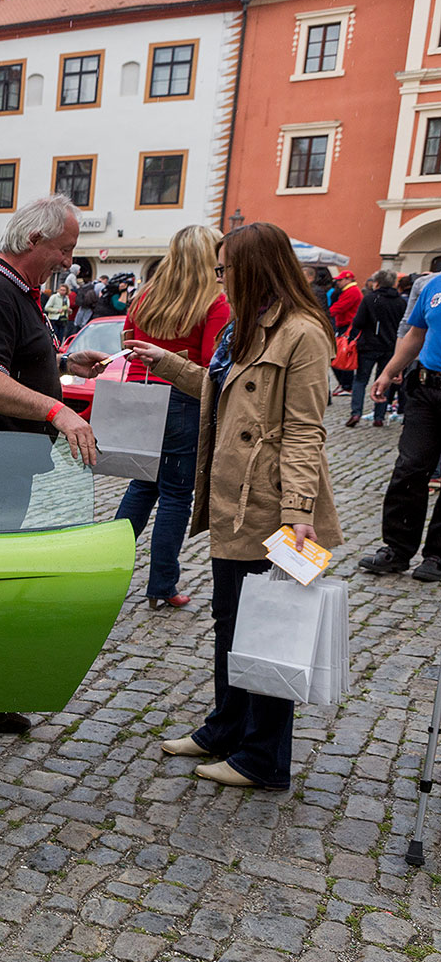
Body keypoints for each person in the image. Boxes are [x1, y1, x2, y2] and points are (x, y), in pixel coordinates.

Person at [125, 221, 340, 790]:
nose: (219, 280)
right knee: (230, 622)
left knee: (272, 628)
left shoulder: (302, 333)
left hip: (274, 507)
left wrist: (297, 515)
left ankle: (264, 756)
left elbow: (304, 432)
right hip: (233, 501)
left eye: (226, 270)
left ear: (255, 270)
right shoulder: (246, 327)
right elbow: (219, 389)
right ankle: (225, 727)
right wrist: (164, 362)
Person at [0, 195, 112, 733]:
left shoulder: (9, 287)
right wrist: (58, 409)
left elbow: (9, 363)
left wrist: (59, 363)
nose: (69, 261)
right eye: (64, 249)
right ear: (32, 241)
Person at [114, 225, 230, 610]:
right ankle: (162, 585)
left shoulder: (146, 295)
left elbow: (126, 342)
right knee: (176, 495)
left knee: (142, 485)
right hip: (182, 399)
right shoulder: (214, 302)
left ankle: (106, 566)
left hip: (139, 394)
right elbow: (214, 365)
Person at [361, 271, 441, 582]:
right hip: (426, 388)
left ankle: (437, 555)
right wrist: (389, 371)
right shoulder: (433, 285)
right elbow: (415, 334)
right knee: (409, 467)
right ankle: (397, 549)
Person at [346, 269, 403, 427]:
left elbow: (358, 322)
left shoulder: (370, 299)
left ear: (377, 283)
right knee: (385, 379)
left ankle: (356, 413)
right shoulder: (400, 301)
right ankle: (379, 416)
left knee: (360, 380)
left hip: (369, 345)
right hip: (390, 346)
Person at [328, 269, 361, 394]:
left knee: (344, 353)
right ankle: (345, 384)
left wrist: (325, 314)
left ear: (348, 279)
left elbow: (340, 307)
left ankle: (347, 385)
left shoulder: (351, 291)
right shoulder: (350, 290)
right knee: (342, 353)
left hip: (348, 326)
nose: (338, 283)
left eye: (340, 280)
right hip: (346, 325)